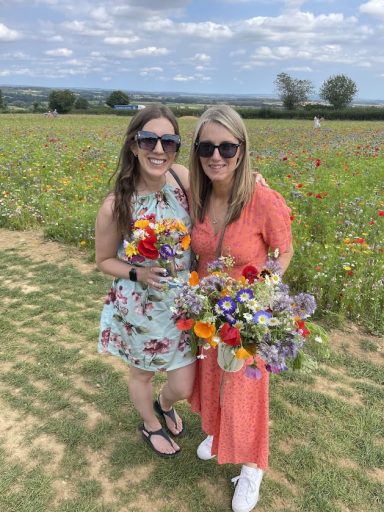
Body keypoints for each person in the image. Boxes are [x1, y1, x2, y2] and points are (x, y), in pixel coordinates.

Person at [188, 105, 294, 512]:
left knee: (246, 391)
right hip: (207, 316)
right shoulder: (196, 196)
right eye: (207, 147)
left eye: (227, 147)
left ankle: (252, 468)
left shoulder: (262, 200)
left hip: (248, 318)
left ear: (242, 149)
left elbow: (283, 252)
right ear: (196, 151)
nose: (216, 156)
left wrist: (262, 294)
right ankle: (218, 435)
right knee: (214, 381)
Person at [95, 104, 196, 458]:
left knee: (183, 384)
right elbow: (104, 260)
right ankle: (149, 424)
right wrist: (139, 272)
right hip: (141, 306)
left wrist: (254, 178)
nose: (158, 150)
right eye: (148, 140)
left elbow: (224, 190)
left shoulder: (183, 178)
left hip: (184, 303)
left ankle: (165, 404)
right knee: (143, 372)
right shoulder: (117, 204)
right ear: (134, 145)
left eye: (168, 141)